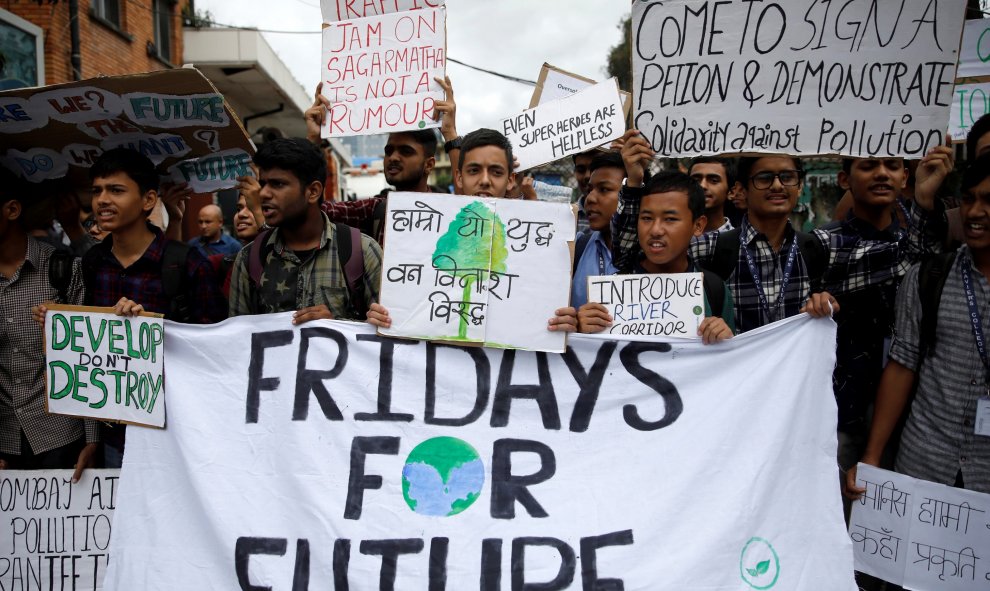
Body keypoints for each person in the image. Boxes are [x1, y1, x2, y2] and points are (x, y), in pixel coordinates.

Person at [612, 134, 952, 333]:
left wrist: (923, 199)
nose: (777, 185)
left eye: (787, 177)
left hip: (792, 411)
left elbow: (909, 262)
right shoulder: (711, 247)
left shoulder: (823, 247)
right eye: (764, 178)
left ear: (800, 185)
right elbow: (628, 262)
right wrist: (635, 180)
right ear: (741, 190)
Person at [32, 147, 227, 467]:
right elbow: (86, 358)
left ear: (148, 200)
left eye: (116, 190)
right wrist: (60, 326)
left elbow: (215, 349)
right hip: (116, 439)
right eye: (97, 191)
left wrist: (152, 327)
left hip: (178, 435)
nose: (102, 200)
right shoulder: (93, 263)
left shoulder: (186, 262)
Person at [846, 154, 990, 496]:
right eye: (969, 199)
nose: (974, 213)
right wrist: (872, 457)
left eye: (989, 201)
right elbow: (902, 366)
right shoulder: (928, 277)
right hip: (925, 463)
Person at [367, 128, 577, 332]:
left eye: (496, 172)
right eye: (474, 170)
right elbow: (409, 305)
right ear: (459, 178)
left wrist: (565, 321)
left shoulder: (540, 241)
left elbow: (543, 302)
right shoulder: (425, 230)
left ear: (510, 179)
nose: (484, 180)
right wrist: (386, 316)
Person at [0, 170, 97, 480]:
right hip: (4, 442)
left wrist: (93, 439)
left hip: (61, 438)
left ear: (12, 210)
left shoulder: (63, 269)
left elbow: (89, 359)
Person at [228, 137, 383, 322]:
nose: (263, 193)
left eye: (277, 184)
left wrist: (338, 327)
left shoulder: (363, 252)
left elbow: (388, 335)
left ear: (313, 191)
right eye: (263, 184)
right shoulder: (250, 258)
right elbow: (238, 340)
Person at [576, 171, 734, 344]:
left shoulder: (714, 290)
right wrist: (580, 334)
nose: (655, 230)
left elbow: (729, 364)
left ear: (698, 225)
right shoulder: (611, 290)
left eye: (670, 219)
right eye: (646, 218)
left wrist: (725, 338)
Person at [305, 77, 458, 246]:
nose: (393, 157)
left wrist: (450, 133)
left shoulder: (448, 209)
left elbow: (475, 207)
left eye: (406, 152)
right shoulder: (374, 210)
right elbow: (310, 210)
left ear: (429, 164)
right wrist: (313, 140)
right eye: (389, 151)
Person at [571, 152, 636, 308]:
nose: (590, 199)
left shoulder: (655, 254)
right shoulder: (576, 248)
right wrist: (577, 322)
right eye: (590, 190)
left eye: (604, 189)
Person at [688, 156, 737, 234]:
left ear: (731, 192)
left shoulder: (741, 243)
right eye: (695, 180)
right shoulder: (674, 239)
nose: (702, 185)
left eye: (714, 180)